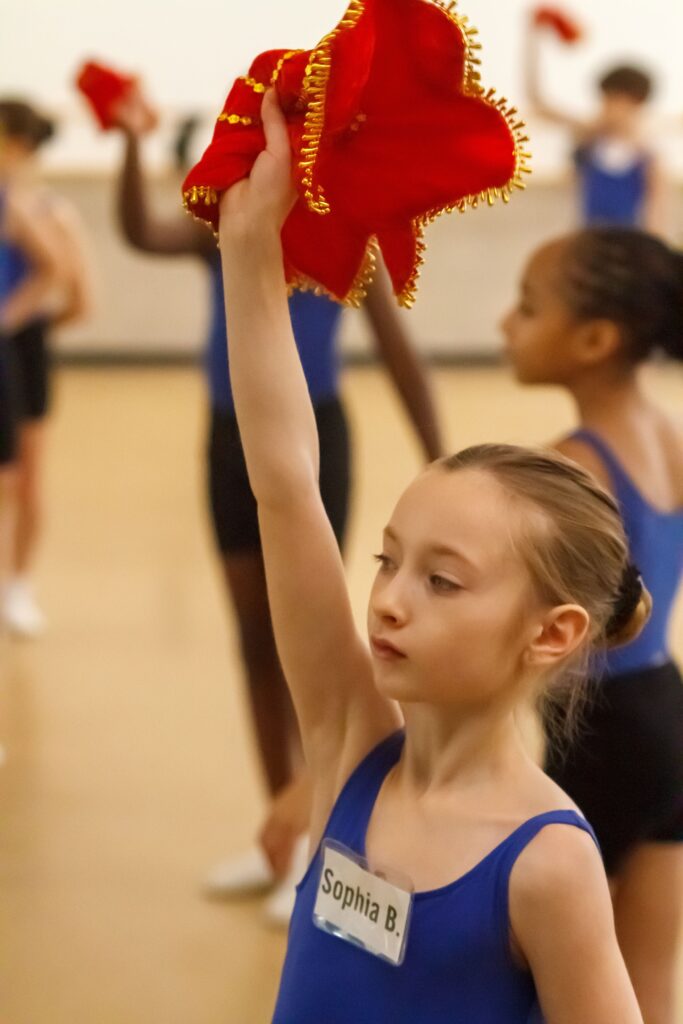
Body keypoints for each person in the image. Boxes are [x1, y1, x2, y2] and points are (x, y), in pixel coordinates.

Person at [217, 88, 645, 1024]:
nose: (389, 602)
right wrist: (250, 253)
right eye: (387, 562)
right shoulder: (348, 748)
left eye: (441, 581)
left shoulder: (546, 864)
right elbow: (288, 488)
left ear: (551, 633)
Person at [110, 85, 443, 919]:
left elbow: (400, 354)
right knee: (253, 638)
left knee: (318, 647)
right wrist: (127, 143)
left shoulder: (345, 240)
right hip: (228, 439)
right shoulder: (221, 227)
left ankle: (327, 833)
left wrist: (442, 458)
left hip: (314, 442)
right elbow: (135, 233)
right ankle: (282, 838)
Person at [503, 226, 683, 1024]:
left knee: (545, 979)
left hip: (602, 736)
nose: (505, 324)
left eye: (526, 306)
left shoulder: (568, 467)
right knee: (646, 982)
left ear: (593, 339)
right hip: (667, 717)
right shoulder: (668, 435)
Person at [0, 99, 92, 637]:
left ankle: (19, 587)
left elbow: (69, 286)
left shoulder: (41, 208)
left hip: (21, 346)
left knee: (26, 478)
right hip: (18, 340)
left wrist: (17, 323)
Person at [525, 10, 666, 233]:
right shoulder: (590, 137)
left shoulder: (647, 156)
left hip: (629, 243)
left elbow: (654, 217)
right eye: (605, 100)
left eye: (613, 101)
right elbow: (537, 100)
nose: (605, 108)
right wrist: (532, 41)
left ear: (634, 104)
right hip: (589, 242)